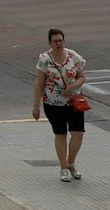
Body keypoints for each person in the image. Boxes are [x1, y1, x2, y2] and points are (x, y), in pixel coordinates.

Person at [33, 26, 90, 182]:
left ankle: (71, 162)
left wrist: (73, 86)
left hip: (74, 101)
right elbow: (39, 83)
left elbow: (82, 77)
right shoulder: (44, 59)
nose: (59, 44)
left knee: (78, 133)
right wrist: (35, 106)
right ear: (50, 43)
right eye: (55, 41)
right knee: (60, 134)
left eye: (61, 40)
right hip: (53, 103)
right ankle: (63, 167)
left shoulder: (73, 56)